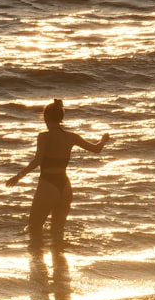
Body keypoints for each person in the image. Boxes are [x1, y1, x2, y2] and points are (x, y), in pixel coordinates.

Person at [6, 99, 110, 250]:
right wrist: (103, 140)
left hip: (48, 184)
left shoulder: (44, 136)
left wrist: (18, 176)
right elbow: (96, 149)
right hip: (65, 186)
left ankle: (38, 269)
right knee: (57, 232)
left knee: (34, 229)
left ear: (45, 117)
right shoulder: (72, 136)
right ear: (61, 117)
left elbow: (37, 160)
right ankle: (60, 269)